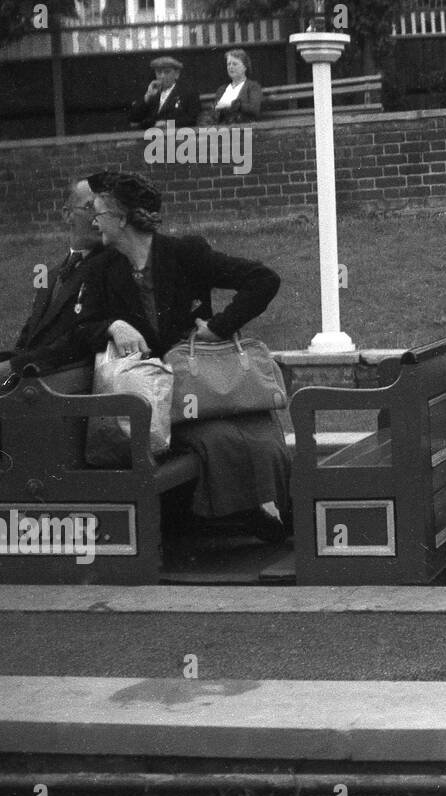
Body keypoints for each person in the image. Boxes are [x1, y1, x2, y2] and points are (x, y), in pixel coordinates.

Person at [77, 172, 291, 545]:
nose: (94, 221)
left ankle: (261, 513)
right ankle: (239, 515)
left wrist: (219, 327)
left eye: (99, 212)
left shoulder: (185, 254)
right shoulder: (101, 268)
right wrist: (114, 326)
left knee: (257, 433)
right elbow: (81, 327)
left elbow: (263, 279)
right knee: (219, 438)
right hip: (156, 402)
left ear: (122, 218)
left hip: (203, 386)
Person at [0, 172, 112, 393]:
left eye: (102, 208)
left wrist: (8, 370)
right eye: (89, 207)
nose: (98, 217)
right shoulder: (52, 275)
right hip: (28, 378)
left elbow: (79, 340)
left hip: (59, 380)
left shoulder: (109, 267)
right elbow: (28, 339)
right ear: (67, 215)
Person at [128, 55, 199, 130]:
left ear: (177, 74)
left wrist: (167, 124)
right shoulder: (151, 93)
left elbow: (192, 120)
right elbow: (133, 119)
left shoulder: (188, 93)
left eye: (167, 72)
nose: (162, 76)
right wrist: (147, 97)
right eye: (159, 72)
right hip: (148, 137)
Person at [208, 49, 264, 124]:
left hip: (244, 128)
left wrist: (231, 105)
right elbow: (215, 112)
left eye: (235, 64)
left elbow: (254, 109)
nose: (230, 67)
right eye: (229, 64)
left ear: (244, 67)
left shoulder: (253, 86)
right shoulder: (221, 89)